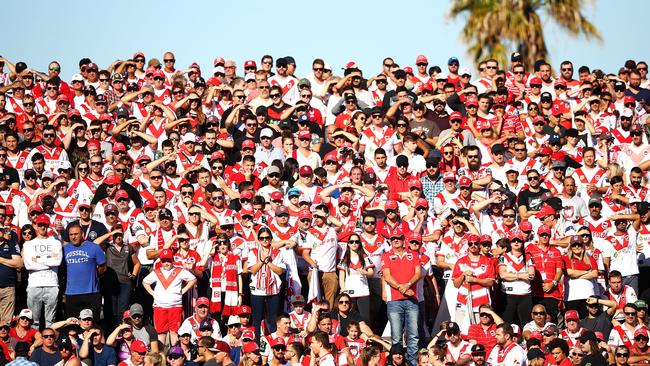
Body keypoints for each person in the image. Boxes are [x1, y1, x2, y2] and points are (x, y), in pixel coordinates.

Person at [381, 227, 421, 364]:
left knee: (414, 335)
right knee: (396, 336)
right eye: (393, 239)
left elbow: (418, 273)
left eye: (398, 238)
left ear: (404, 240)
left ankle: (412, 362)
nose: (396, 241)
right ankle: (396, 363)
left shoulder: (413, 255)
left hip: (412, 299)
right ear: (390, 241)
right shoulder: (386, 255)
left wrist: (407, 285)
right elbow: (386, 276)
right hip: (395, 300)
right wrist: (401, 288)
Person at [22, 214, 62, 328]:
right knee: (34, 321)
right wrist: (48, 260)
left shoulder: (55, 242)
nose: (43, 227)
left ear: (48, 226)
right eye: (40, 225)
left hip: (52, 284)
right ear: (36, 226)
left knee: (50, 321)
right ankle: (34, 344)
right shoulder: (29, 244)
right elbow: (29, 265)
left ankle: (49, 343)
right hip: (34, 285)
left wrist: (38, 260)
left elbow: (57, 261)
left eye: (45, 225)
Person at [62, 223, 106, 320]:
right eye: (71, 235)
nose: (73, 237)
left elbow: (103, 266)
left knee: (93, 324)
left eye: (76, 234)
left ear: (82, 234)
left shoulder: (94, 247)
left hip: (91, 293)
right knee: (73, 324)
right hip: (71, 293)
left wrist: (94, 276)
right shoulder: (64, 249)